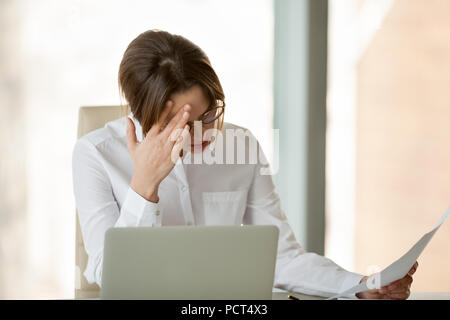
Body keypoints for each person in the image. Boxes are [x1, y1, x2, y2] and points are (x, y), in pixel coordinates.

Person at [72, 29, 417, 299]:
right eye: (181, 125)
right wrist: (144, 186)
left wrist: (359, 285)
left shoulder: (242, 146)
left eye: (208, 114)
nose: (204, 133)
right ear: (143, 117)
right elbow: (110, 276)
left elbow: (281, 258)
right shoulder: (94, 155)